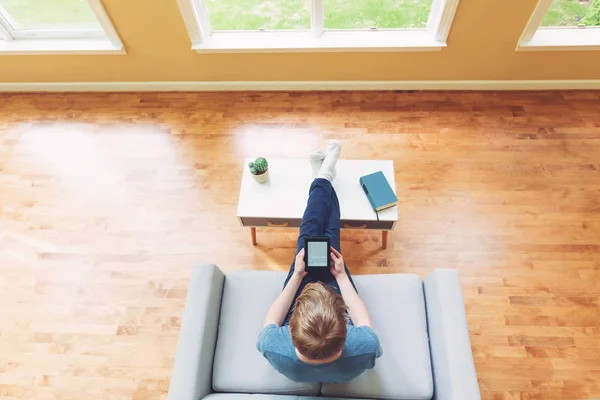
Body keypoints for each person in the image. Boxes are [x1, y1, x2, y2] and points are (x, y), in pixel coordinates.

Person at [256, 140, 383, 383]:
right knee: (328, 234)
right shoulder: (364, 347)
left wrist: (297, 276)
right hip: (335, 287)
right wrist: (341, 277)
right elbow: (364, 322)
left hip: (300, 286)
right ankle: (323, 176)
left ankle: (323, 176)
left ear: (290, 331)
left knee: (311, 232)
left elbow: (271, 321)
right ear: (346, 333)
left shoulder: (273, 346)